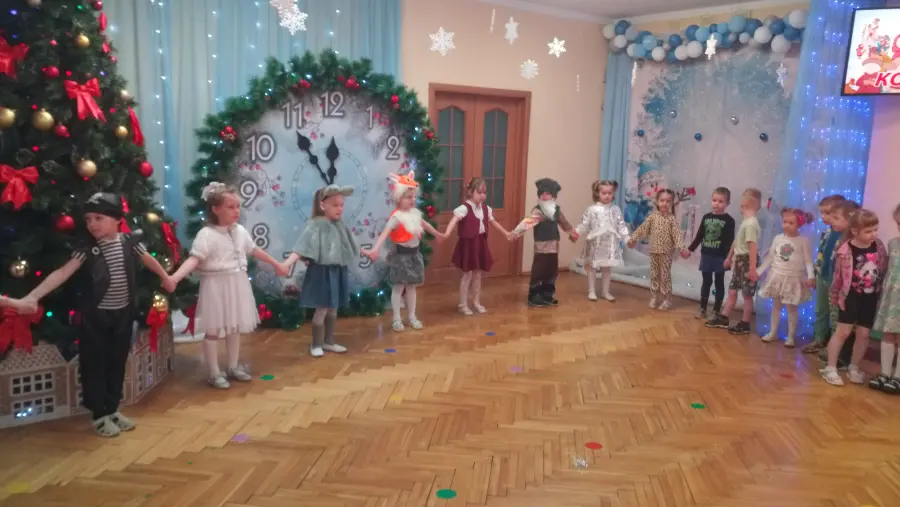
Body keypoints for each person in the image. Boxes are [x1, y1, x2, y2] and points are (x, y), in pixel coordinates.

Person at [22, 192, 174, 437]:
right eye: (88, 219)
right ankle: (98, 414)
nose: (92, 224)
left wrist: (166, 277)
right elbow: (63, 273)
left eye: (98, 218)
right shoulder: (87, 250)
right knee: (94, 364)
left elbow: (148, 259)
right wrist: (33, 296)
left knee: (117, 361)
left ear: (117, 219)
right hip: (95, 317)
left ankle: (112, 408)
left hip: (123, 315)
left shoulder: (130, 243)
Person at [169, 182, 288, 389]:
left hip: (237, 283)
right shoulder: (206, 235)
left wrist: (276, 263)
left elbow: (254, 250)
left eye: (238, 207)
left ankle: (233, 366)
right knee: (213, 330)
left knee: (234, 327)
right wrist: (175, 278)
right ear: (216, 209)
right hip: (216, 286)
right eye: (231, 207)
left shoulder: (240, 231)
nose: (236, 211)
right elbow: (194, 260)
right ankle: (214, 372)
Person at [362, 171, 445, 332]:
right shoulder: (397, 217)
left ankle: (412, 316)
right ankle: (396, 319)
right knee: (399, 288)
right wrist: (375, 250)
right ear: (399, 198)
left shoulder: (415, 214)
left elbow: (425, 225)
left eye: (413, 197)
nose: (412, 200)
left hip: (414, 255)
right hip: (400, 257)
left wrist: (437, 234)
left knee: (412, 287)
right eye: (408, 197)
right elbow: (385, 233)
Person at [283, 185, 359, 357]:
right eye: (335, 205)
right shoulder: (316, 225)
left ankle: (328, 341)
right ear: (323, 205)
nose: (340, 209)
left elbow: (349, 243)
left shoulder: (340, 225)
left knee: (333, 308)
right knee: (322, 308)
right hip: (321, 272)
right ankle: (316, 344)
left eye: (341, 205)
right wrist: (287, 263)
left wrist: (368, 252)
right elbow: (301, 247)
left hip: (337, 270)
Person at [822, 209, 887, 386]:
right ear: (855, 231)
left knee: (864, 334)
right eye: (868, 231)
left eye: (875, 229)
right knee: (843, 332)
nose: (873, 234)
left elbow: (882, 268)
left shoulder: (879, 246)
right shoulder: (845, 250)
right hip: (850, 297)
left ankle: (854, 367)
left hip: (870, 297)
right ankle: (830, 367)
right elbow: (838, 277)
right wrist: (835, 295)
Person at [443, 177, 512, 315]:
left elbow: (493, 222)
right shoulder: (464, 208)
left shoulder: (486, 209)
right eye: (479, 192)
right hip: (468, 245)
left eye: (484, 192)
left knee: (478, 274)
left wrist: (506, 233)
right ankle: (463, 304)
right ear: (471, 192)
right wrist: (446, 234)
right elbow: (453, 221)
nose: (482, 195)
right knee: (467, 275)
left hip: (480, 243)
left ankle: (476, 302)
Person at [509, 178, 578, 307]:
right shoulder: (538, 211)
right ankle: (534, 296)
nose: (544, 196)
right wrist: (515, 233)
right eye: (541, 194)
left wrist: (572, 233)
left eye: (547, 194)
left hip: (554, 247)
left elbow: (564, 223)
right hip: (541, 247)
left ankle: (547, 294)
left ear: (553, 196)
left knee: (551, 271)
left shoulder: (556, 210)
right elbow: (526, 223)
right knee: (539, 270)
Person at [756, 208, 816, 348]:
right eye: (785, 222)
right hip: (777, 277)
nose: (787, 225)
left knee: (791, 308)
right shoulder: (778, 239)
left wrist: (811, 276)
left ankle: (790, 336)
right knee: (776, 306)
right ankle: (773, 332)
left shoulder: (803, 241)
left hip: (793, 279)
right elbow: (770, 257)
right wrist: (759, 271)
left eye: (791, 223)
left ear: (799, 224)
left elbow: (808, 260)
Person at [706, 188, 762, 334]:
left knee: (747, 295)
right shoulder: (745, 222)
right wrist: (729, 257)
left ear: (747, 206)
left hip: (747, 261)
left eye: (743, 206)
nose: (741, 209)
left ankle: (745, 322)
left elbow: (752, 247)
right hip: (739, 261)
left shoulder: (751, 224)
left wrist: (752, 268)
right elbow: (737, 241)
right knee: (732, 290)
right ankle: (724, 316)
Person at [627, 188, 684, 310]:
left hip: (666, 253)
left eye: (668, 201)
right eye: (662, 200)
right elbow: (643, 229)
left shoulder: (671, 219)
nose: (665, 203)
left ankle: (667, 299)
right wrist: (633, 239)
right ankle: (654, 297)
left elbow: (677, 235)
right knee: (654, 275)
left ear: (671, 203)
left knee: (665, 276)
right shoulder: (652, 217)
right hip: (654, 252)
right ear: (657, 202)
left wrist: (682, 248)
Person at [683, 187, 735, 319]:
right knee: (706, 281)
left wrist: (728, 258)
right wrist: (690, 249)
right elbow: (699, 236)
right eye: (714, 200)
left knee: (719, 282)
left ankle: (716, 309)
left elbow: (730, 241)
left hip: (720, 258)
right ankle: (703, 308)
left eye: (721, 201)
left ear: (727, 203)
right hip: (706, 256)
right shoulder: (706, 217)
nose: (716, 204)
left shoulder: (729, 221)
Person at [805, 195, 847, 354]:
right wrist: (816, 274)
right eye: (822, 213)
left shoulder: (845, 235)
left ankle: (834, 347)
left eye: (828, 213)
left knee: (835, 314)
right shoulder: (826, 232)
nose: (823, 217)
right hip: (822, 276)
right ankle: (819, 339)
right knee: (820, 310)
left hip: (836, 281)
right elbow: (821, 254)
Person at [574, 180, 630, 301]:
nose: (607, 196)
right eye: (604, 193)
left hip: (610, 244)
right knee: (592, 267)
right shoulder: (592, 209)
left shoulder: (616, 210)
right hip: (595, 243)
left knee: (607, 268)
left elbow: (621, 226)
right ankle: (591, 291)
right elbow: (584, 225)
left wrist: (626, 238)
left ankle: (605, 291)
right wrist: (575, 233)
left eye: (609, 193)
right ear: (597, 193)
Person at [871, 202, 900, 393]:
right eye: (899, 224)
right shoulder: (893, 243)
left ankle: (898, 377)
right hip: (892, 297)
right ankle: (885, 373)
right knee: (888, 333)